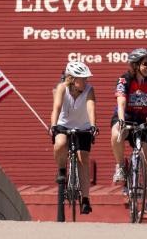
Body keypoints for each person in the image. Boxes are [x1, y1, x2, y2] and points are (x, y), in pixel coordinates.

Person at [110, 47, 147, 214]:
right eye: (146, 64)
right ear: (136, 65)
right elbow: (121, 102)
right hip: (128, 116)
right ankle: (121, 166)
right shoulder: (125, 79)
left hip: (145, 119)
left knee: (146, 158)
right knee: (117, 132)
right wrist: (122, 120)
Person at [50, 61, 98, 214]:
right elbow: (56, 107)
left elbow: (91, 107)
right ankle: (62, 170)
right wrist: (53, 125)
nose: (85, 81)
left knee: (83, 158)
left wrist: (93, 125)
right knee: (60, 144)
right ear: (72, 79)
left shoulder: (89, 90)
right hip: (63, 125)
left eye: (86, 78)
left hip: (83, 127)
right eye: (82, 78)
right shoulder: (62, 88)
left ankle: (85, 199)